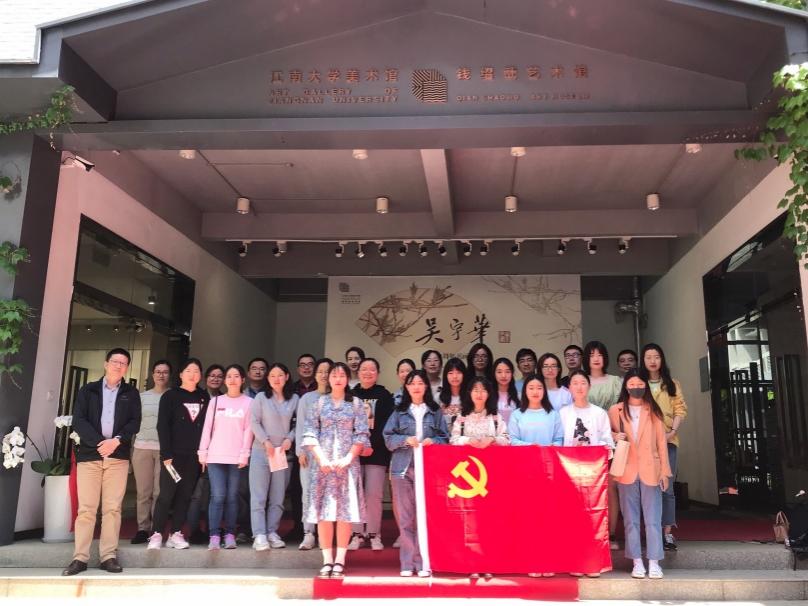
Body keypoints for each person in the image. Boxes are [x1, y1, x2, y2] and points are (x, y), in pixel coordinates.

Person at [62, 348, 142, 576]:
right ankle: (80, 558)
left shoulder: (131, 393)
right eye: (115, 361)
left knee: (112, 509)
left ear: (126, 368)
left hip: (117, 457)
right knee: (86, 509)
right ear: (106, 364)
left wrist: (115, 441)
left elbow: (135, 422)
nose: (118, 365)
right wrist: (100, 443)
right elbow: (79, 420)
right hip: (90, 456)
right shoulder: (88, 390)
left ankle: (108, 556)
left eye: (123, 363)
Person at [303, 362, 370, 579]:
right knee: (324, 513)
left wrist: (349, 458)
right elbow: (310, 432)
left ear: (348, 379)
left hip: (347, 465)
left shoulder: (356, 404)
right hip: (323, 466)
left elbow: (362, 434)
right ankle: (327, 560)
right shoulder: (319, 403)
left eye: (342, 375)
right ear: (328, 379)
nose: (338, 379)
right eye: (334, 375)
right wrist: (320, 458)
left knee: (344, 513)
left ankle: (340, 559)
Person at [383, 369, 449, 577]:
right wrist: (404, 440)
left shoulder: (434, 411)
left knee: (423, 516)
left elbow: (445, 438)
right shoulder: (399, 411)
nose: (416, 387)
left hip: (427, 469)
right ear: (407, 387)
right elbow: (388, 438)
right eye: (412, 383)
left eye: (420, 383)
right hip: (402, 468)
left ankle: (422, 563)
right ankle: (407, 563)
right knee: (405, 517)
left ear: (426, 386)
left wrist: (434, 441)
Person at [608, 370, 672, 580]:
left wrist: (665, 472)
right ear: (626, 386)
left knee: (653, 519)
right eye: (632, 384)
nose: (636, 387)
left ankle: (654, 562)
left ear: (645, 386)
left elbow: (661, 443)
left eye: (640, 383)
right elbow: (604, 434)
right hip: (626, 468)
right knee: (631, 520)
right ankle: (636, 561)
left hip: (651, 469)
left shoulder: (653, 409)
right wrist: (614, 435)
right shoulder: (615, 410)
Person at [148, 358, 210, 550]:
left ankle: (175, 533)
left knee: (185, 495)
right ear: (181, 374)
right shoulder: (170, 396)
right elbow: (162, 426)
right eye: (188, 370)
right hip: (172, 456)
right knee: (166, 495)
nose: (192, 374)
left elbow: (208, 428)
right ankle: (157, 533)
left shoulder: (204, 397)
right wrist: (166, 454)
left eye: (196, 371)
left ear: (200, 375)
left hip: (194, 456)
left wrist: (204, 454)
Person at [198, 364, 253, 550]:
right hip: (215, 456)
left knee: (232, 497)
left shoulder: (249, 402)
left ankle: (230, 534)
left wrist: (245, 454)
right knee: (218, 496)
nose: (232, 379)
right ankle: (214, 535)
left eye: (236, 376)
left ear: (243, 380)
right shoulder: (215, 401)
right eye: (229, 376)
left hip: (237, 457)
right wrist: (202, 452)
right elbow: (207, 428)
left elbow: (248, 431)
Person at [641, 343, 687, 552]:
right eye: (648, 357)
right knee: (647, 487)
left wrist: (672, 432)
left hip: (668, 440)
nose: (652, 361)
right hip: (644, 443)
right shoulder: (638, 383)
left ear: (662, 359)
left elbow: (680, 410)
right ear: (643, 360)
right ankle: (651, 531)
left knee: (667, 487)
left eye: (656, 357)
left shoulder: (672, 384)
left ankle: (667, 532)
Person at [250, 362, 299, 550]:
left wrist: (290, 439)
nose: (276, 379)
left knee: (278, 497)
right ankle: (259, 534)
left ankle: (271, 531)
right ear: (268, 379)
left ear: (287, 377)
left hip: (281, 453)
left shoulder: (294, 399)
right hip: (262, 452)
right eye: (272, 376)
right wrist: (265, 441)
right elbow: (254, 421)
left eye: (280, 375)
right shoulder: (261, 397)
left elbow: (298, 424)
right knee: (259, 496)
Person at [348, 358, 395, 551]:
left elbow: (386, 425)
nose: (368, 372)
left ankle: (374, 533)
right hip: (354, 453)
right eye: (364, 369)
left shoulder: (385, 396)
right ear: (358, 372)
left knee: (373, 495)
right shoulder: (351, 395)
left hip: (377, 452)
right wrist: (358, 446)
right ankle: (357, 533)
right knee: (355, 494)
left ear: (378, 373)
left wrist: (371, 444)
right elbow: (347, 424)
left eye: (372, 369)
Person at [131, 359, 171, 545]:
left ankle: (156, 528)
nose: (161, 375)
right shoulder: (142, 397)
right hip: (142, 448)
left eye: (165, 372)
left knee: (159, 492)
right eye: (158, 371)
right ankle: (142, 528)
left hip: (164, 450)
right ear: (153, 375)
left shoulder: (173, 396)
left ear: (170, 375)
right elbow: (134, 423)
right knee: (143, 492)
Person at [296, 358, 333, 550]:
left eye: (328, 371)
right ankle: (308, 533)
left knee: (328, 495)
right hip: (309, 454)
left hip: (330, 455)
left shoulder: (338, 397)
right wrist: (300, 451)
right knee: (308, 494)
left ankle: (324, 534)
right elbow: (300, 426)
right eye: (320, 371)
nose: (324, 375)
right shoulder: (306, 399)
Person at [186, 363, 224, 543]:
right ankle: (193, 530)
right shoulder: (197, 396)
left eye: (219, 376)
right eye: (212, 375)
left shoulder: (224, 399)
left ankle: (211, 529)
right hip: (196, 451)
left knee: (212, 493)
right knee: (196, 494)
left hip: (217, 452)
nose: (215, 379)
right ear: (205, 378)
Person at [561, 371, 615, 450]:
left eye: (583, 383)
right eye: (575, 383)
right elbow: (558, 440)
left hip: (594, 456)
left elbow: (607, 440)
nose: (579, 387)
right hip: (567, 457)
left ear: (589, 386)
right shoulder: (562, 413)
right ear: (569, 387)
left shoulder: (600, 413)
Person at [450, 376, 509, 447]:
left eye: (483, 391)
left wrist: (493, 439)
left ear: (488, 394)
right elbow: (453, 440)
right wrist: (467, 440)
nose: (479, 394)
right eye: (476, 390)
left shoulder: (496, 417)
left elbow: (507, 440)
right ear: (470, 393)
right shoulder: (462, 417)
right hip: (467, 454)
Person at [508, 374, 563, 447]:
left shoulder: (554, 414)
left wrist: (553, 446)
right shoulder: (516, 414)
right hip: (523, 454)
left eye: (539, 388)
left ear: (544, 391)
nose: (535, 392)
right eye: (531, 388)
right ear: (525, 391)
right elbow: (513, 440)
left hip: (547, 454)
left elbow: (559, 440)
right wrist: (530, 446)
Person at [583, 341, 622, 410]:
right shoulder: (582, 381)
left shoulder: (615, 381)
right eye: (592, 356)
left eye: (600, 355)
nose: (596, 359)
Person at [438, 357, 468, 426]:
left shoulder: (470, 396)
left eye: (458, 373)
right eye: (451, 373)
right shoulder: (439, 397)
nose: (454, 376)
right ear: (446, 376)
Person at [493, 357, 519, 425]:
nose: (503, 375)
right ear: (494, 374)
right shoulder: (488, 395)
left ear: (512, 373)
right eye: (499, 372)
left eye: (507, 372)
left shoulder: (519, 395)